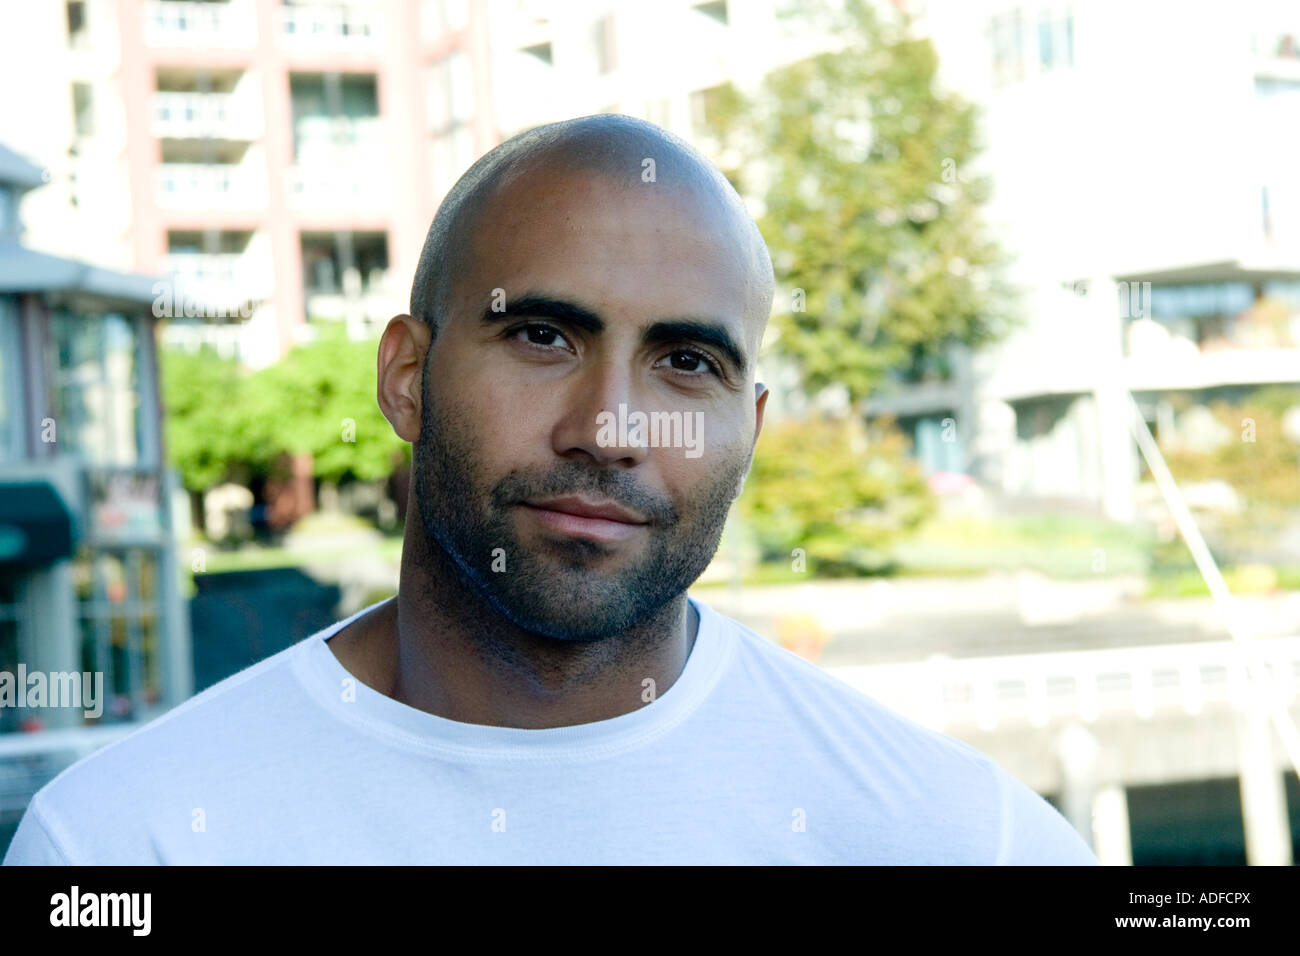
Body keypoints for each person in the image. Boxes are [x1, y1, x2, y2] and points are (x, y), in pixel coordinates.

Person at [4, 114, 1097, 865]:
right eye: (540, 334)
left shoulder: (962, 838)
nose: (609, 429)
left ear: (748, 429)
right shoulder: (123, 843)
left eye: (687, 363)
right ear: (405, 377)